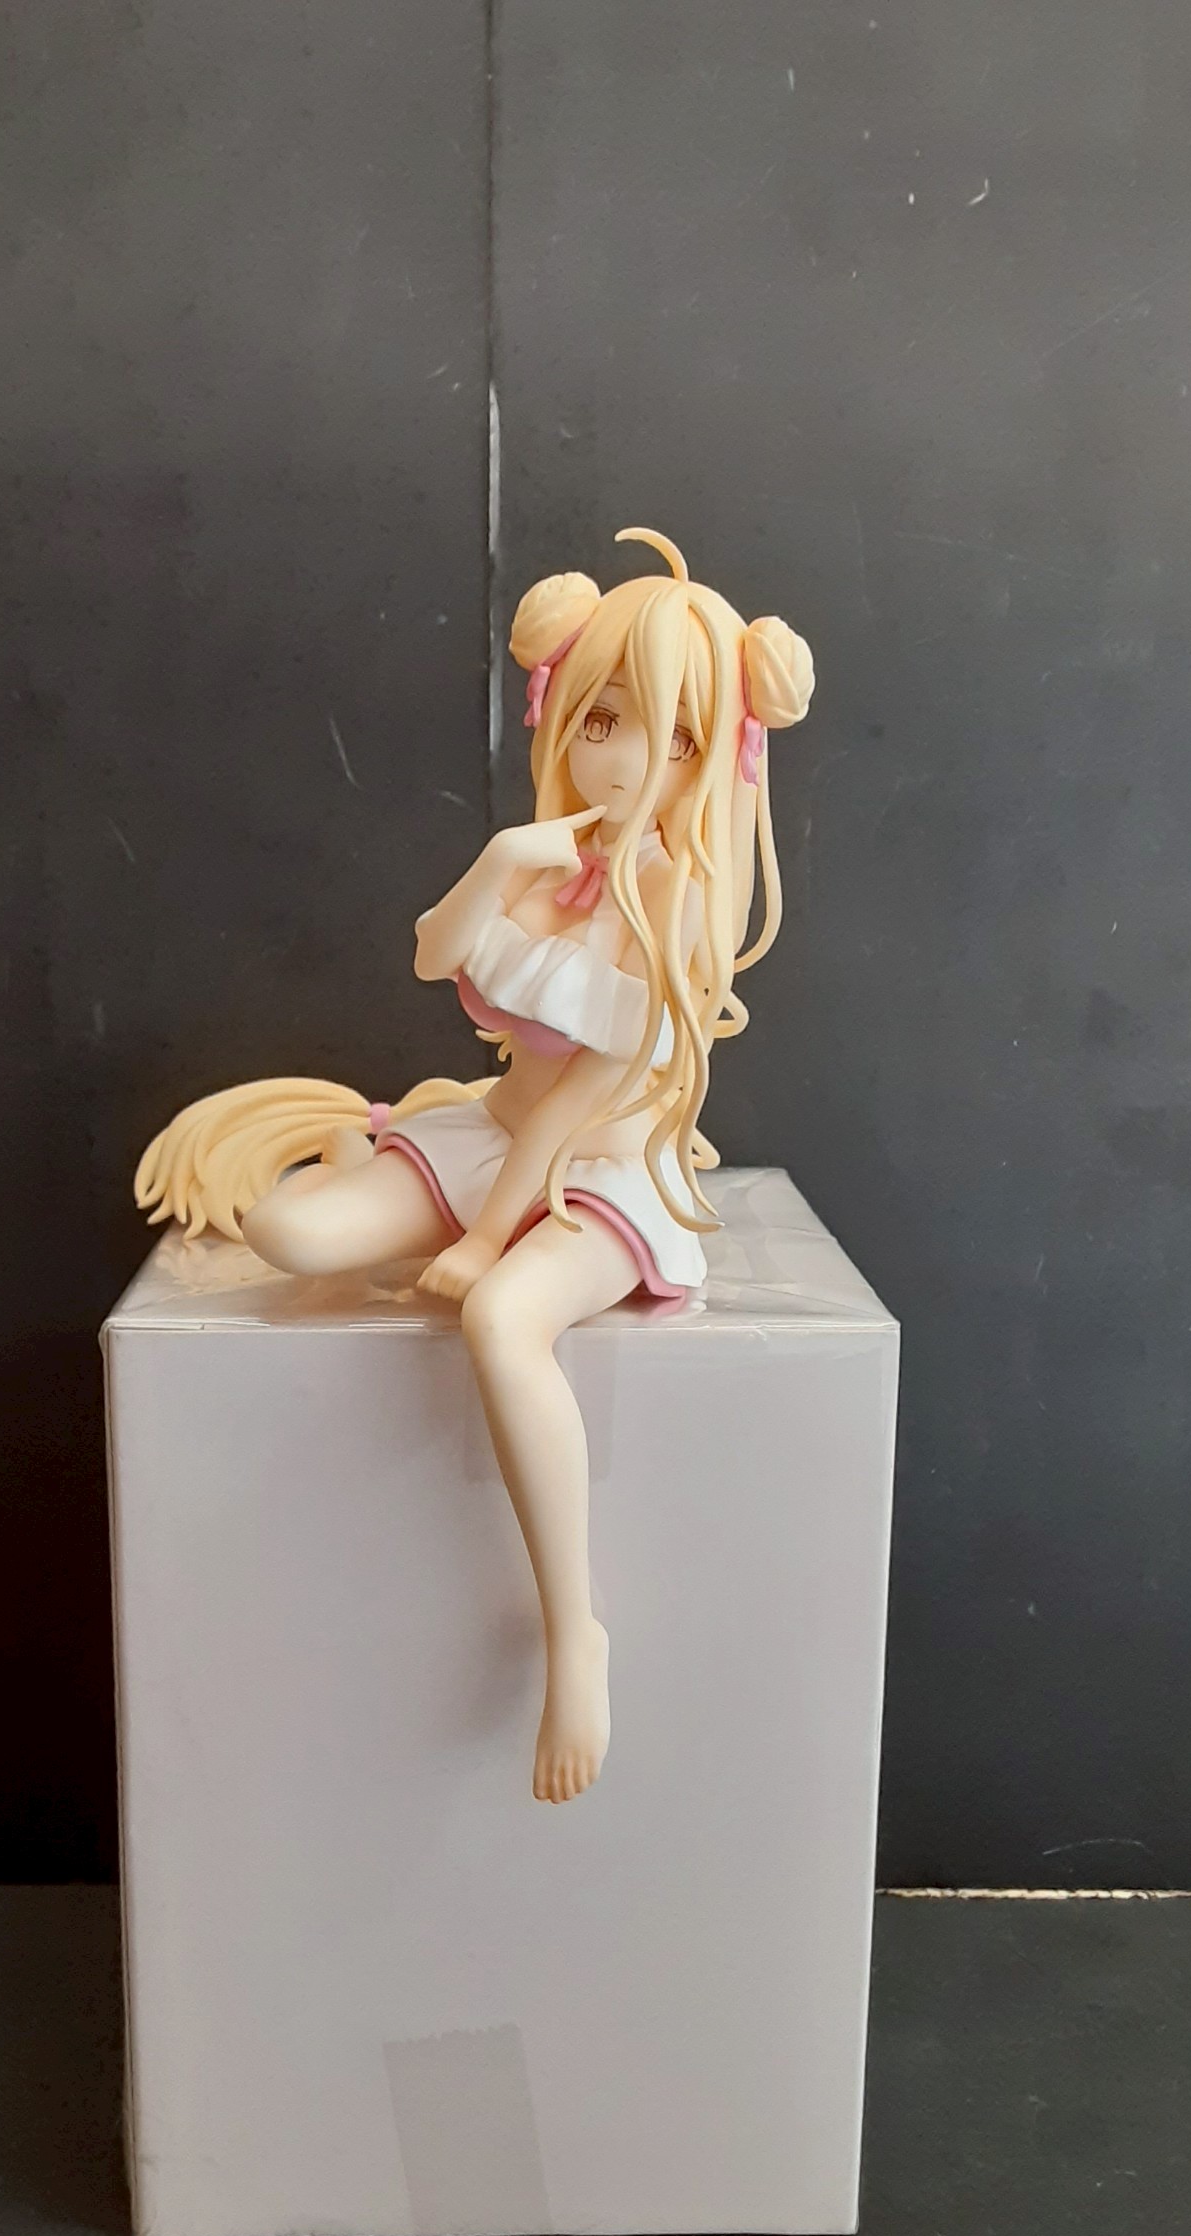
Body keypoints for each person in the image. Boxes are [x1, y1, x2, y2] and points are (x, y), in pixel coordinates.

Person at [135, 529, 815, 1802]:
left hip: (598, 1177)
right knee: (290, 1235)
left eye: (672, 737)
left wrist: (491, 1235)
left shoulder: (679, 900)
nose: (626, 759)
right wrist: (501, 860)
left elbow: (584, 1098)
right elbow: (434, 956)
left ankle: (574, 1631)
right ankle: (362, 1135)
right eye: (604, 718)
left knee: (504, 1322)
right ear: (561, 713)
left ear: (721, 752)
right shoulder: (549, 865)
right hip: (495, 1135)